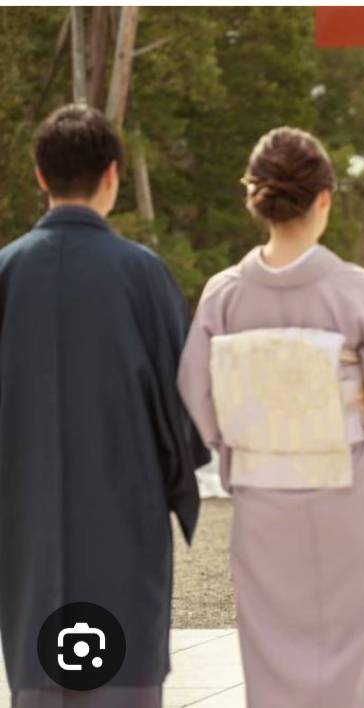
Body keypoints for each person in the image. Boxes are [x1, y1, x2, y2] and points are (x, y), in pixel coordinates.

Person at [177, 126, 364, 708]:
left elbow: (196, 393)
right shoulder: (354, 289)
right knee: (350, 647)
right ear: (323, 199)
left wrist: (248, 431)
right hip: (344, 487)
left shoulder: (224, 295)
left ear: (254, 198)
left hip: (262, 493)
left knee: (270, 648)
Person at [0, 104, 207, 707]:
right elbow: (187, 411)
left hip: (26, 524)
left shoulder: (7, 275)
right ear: (112, 175)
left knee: (43, 681)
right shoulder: (142, 276)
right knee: (121, 681)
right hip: (125, 521)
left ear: (40, 175)